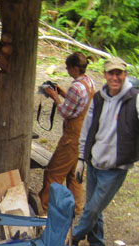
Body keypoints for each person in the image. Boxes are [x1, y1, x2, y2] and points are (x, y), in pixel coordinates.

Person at [73, 57, 139, 246]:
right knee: (94, 207)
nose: (115, 77)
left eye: (119, 73)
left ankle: (71, 240)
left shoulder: (134, 98)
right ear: (105, 75)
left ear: (125, 75)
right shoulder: (99, 97)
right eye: (111, 73)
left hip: (115, 167)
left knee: (92, 209)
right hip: (94, 162)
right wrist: (82, 159)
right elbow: (87, 129)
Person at [39, 52, 96, 214]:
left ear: (74, 68)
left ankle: (44, 211)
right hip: (85, 135)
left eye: (68, 67)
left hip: (72, 137)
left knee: (53, 173)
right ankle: (75, 210)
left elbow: (65, 112)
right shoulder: (89, 82)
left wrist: (55, 96)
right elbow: (79, 105)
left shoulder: (76, 87)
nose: (66, 70)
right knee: (73, 174)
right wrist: (64, 94)